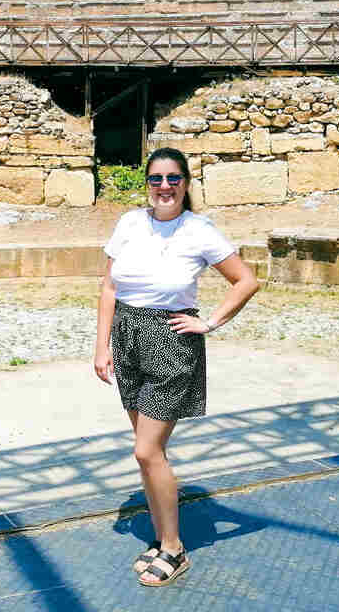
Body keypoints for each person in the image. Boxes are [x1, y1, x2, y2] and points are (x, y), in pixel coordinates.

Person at [93, 147, 261, 586]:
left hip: (172, 342)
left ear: (186, 184)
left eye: (173, 179)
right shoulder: (130, 223)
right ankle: (162, 533)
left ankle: (174, 548)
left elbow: (246, 280)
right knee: (151, 455)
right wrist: (102, 345)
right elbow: (109, 287)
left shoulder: (200, 231)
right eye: (155, 179)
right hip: (128, 337)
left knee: (146, 451)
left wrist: (209, 322)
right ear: (146, 184)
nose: (164, 187)